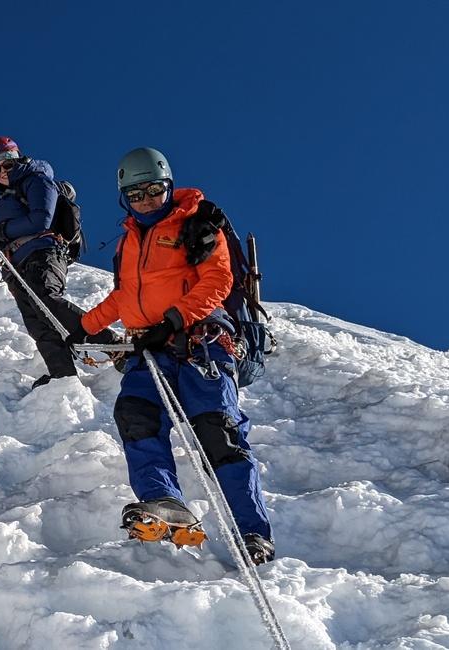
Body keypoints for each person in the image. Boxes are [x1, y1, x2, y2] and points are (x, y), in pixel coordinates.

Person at [73, 147, 275, 563]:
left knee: (217, 432)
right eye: (136, 195)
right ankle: (164, 500)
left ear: (168, 186)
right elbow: (125, 296)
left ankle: (252, 532)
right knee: (135, 415)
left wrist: (174, 320)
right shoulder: (129, 242)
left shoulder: (199, 224)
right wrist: (85, 327)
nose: (146, 200)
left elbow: (219, 279)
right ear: (124, 197)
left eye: (154, 190)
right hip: (150, 348)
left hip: (200, 342)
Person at [0, 136, 119, 388]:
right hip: (17, 266)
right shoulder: (6, 198)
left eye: (8, 163)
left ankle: (112, 344)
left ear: (18, 158)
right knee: (38, 322)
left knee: (48, 302)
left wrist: (0, 232)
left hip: (43, 254)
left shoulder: (36, 179)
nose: (3, 171)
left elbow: (41, 220)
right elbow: (6, 240)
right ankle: (63, 378)